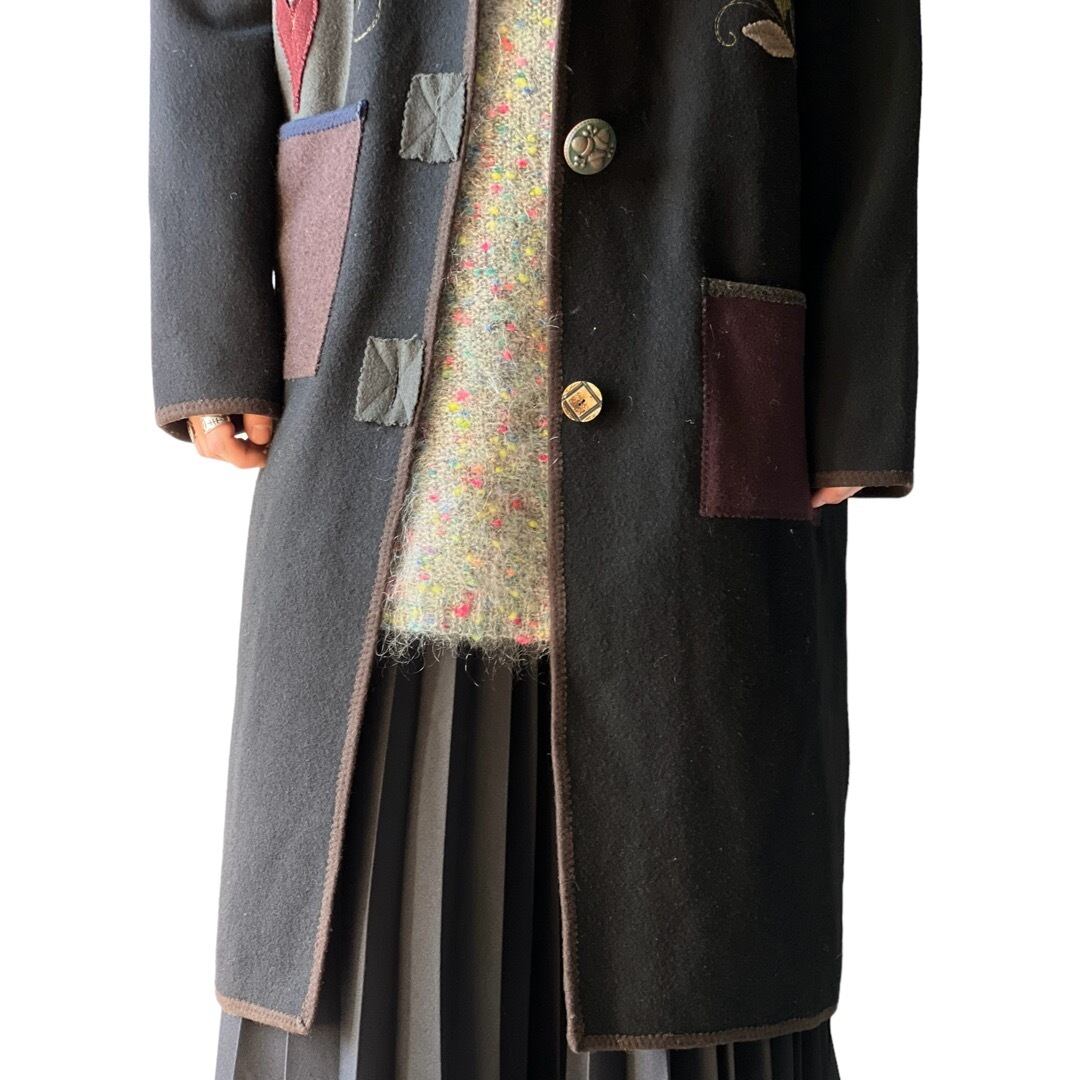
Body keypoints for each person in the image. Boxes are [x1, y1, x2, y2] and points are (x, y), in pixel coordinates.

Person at [150, 0, 921, 1075]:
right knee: (357, 972)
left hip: (700, 334)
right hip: (374, 343)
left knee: (699, 950)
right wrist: (211, 317)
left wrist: (856, 388)